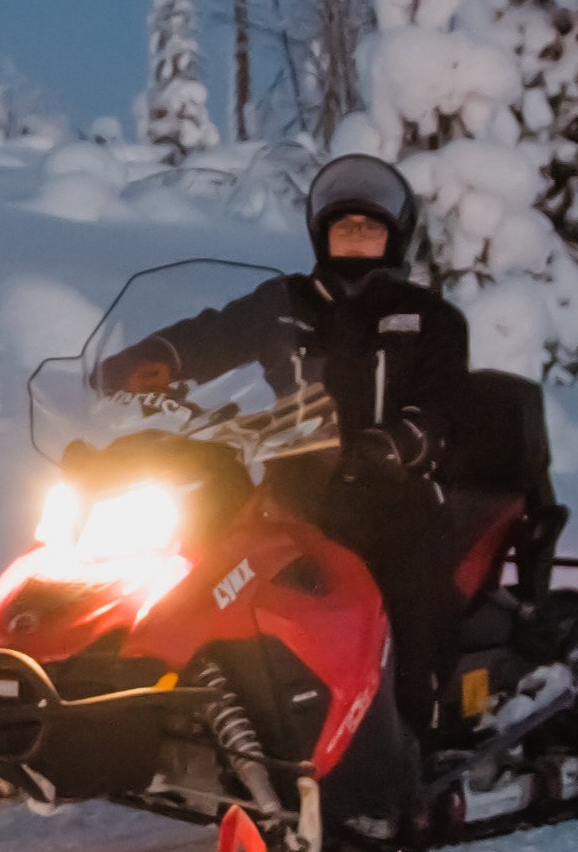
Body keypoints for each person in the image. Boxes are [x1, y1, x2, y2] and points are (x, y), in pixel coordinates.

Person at [93, 154, 473, 741]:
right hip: (292, 482)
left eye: (370, 229)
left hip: (389, 491)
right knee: (199, 564)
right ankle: (198, 701)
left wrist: (395, 442)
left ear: (394, 239)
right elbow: (214, 334)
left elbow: (441, 404)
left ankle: (418, 728)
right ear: (321, 234)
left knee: (405, 585)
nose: (356, 238)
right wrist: (154, 358)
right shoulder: (285, 303)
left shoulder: (428, 319)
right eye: (344, 227)